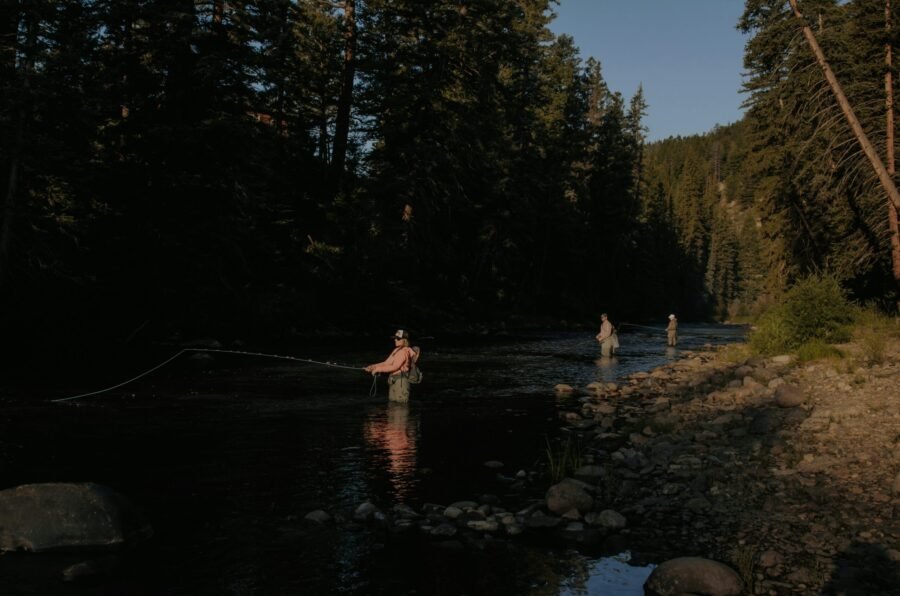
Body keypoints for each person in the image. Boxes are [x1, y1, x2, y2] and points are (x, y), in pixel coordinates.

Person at [364, 329, 420, 403]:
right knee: (392, 406)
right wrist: (373, 367)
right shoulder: (396, 350)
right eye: (395, 338)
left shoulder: (404, 351)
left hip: (401, 383)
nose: (395, 340)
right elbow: (386, 363)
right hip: (393, 380)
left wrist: (378, 369)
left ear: (404, 340)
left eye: (398, 338)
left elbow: (395, 366)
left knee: (400, 408)